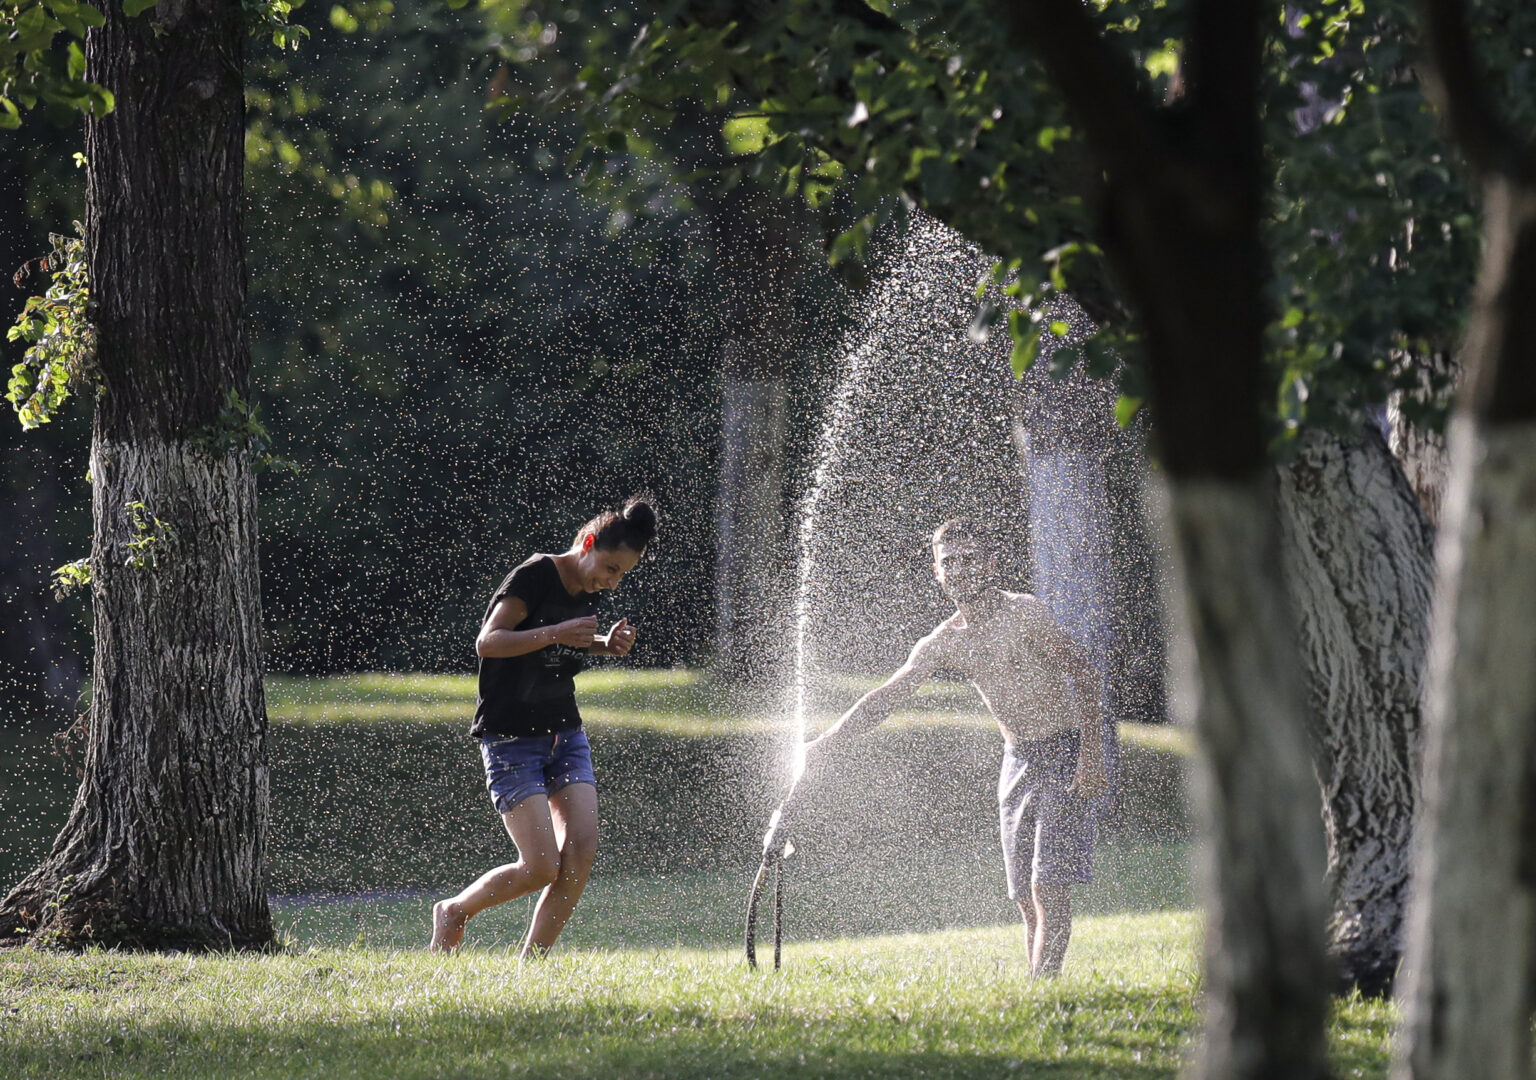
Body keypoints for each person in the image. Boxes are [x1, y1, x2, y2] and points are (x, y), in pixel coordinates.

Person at [800, 518, 1107, 976]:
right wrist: (827, 742)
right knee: (1024, 896)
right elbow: (884, 697)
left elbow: (1083, 672)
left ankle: (1043, 991)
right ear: (937, 573)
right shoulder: (944, 642)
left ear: (991, 564)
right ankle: (1039, 992)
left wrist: (1092, 755)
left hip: (1064, 750)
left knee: (1049, 889)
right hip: (1018, 759)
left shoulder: (1025, 614)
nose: (960, 571)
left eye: (970, 560)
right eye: (950, 564)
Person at [430, 497, 658, 955]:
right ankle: (454, 912)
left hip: (564, 734)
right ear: (588, 543)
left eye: (621, 575)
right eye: (611, 568)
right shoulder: (534, 575)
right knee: (539, 868)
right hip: (511, 739)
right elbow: (489, 642)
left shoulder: (588, 589)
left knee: (580, 854)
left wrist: (602, 645)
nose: (611, 582)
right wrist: (557, 633)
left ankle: (533, 963)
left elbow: (559, 646)